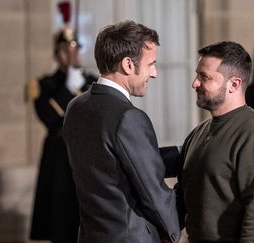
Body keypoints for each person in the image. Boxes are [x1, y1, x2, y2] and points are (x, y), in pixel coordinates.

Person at [62, 20, 181, 243]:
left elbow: (111, 163)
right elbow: (153, 193)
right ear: (128, 64)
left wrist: (182, 154)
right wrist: (173, 232)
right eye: (151, 64)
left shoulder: (75, 107)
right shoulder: (129, 117)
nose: (154, 73)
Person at [177, 41, 254, 243]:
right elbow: (183, 197)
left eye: (204, 77)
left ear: (234, 84)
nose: (195, 83)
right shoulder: (198, 133)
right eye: (197, 74)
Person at [28, 2, 96, 242]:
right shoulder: (45, 86)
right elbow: (50, 118)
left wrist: (79, 86)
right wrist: (68, 89)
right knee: (60, 222)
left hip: (86, 156)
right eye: (67, 50)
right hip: (58, 158)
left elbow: (94, 117)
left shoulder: (92, 82)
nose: (73, 54)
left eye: (76, 49)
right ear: (57, 54)